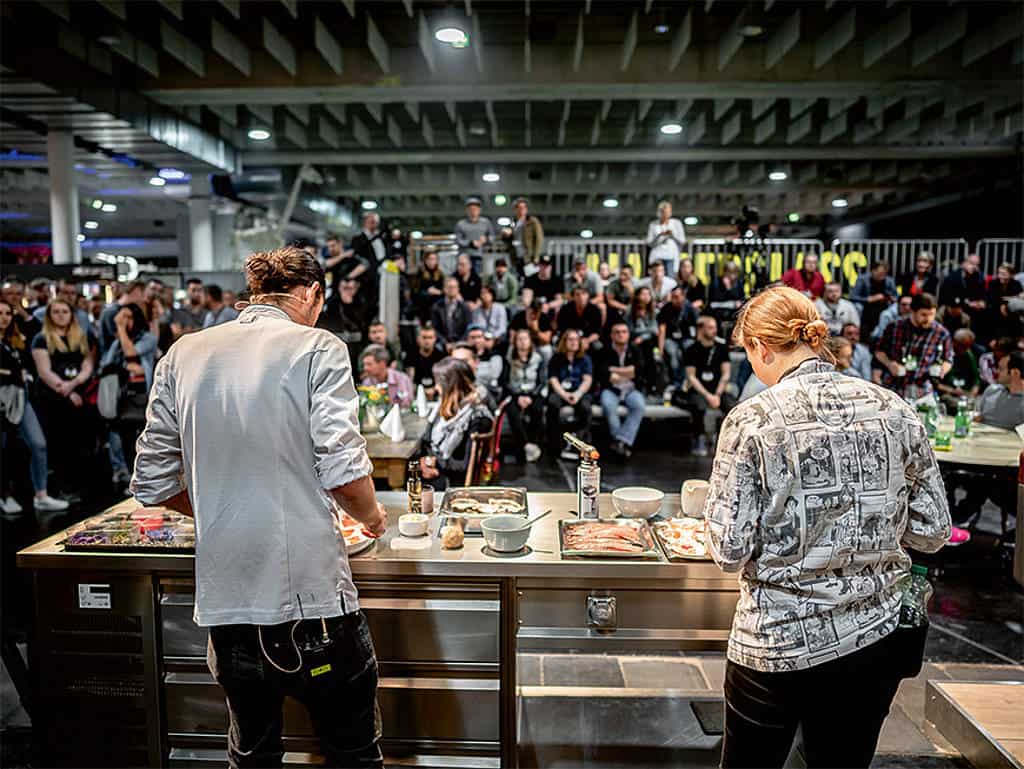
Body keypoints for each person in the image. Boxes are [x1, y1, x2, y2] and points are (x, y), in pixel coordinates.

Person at [131, 245, 387, 769]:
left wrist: (219, 506)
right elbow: (344, 472)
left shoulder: (183, 352)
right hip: (313, 611)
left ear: (255, 294)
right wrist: (373, 518)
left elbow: (151, 481)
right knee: (353, 754)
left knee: (252, 757)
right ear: (312, 294)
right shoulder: (318, 346)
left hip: (229, 615)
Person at [705, 285, 950, 769]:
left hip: (777, 641)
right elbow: (934, 529)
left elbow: (729, 549)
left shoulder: (751, 419)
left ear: (761, 347)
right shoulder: (894, 408)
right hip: (873, 638)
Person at [0, 299, 67, 513]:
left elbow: (37, 333)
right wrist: (13, 374)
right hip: (3, 398)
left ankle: (41, 494)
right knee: (3, 449)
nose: (4, 318)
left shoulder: (15, 340)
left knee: (38, 443)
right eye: (0, 313)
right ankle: (4, 495)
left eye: (8, 313)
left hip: (21, 397)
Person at [30, 300, 97, 500]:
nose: (61, 315)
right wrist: (66, 390)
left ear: (71, 314)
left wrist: (74, 383)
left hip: (79, 394)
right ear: (49, 315)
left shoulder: (82, 337)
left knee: (79, 443)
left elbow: (87, 366)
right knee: (58, 444)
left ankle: (79, 486)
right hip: (52, 398)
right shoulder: (41, 339)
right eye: (56, 312)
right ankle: (61, 488)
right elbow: (44, 372)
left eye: (65, 311)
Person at [417, 357, 493, 490]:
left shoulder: (477, 417)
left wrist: (436, 463)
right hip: (438, 470)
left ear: (451, 386)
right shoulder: (445, 407)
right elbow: (427, 439)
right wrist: (425, 462)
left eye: (439, 383)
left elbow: (465, 467)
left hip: (452, 483)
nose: (436, 388)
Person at [100, 303, 158, 472]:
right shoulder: (117, 342)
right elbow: (107, 365)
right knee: (117, 433)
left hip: (140, 396)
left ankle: (144, 471)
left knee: (141, 435)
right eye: (121, 318)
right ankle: (121, 470)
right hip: (119, 396)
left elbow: (131, 353)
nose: (124, 322)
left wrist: (120, 329)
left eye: (128, 317)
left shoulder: (148, 338)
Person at [875, 293, 953, 399]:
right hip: (894, 385)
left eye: (932, 314)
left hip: (923, 388)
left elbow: (948, 359)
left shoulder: (941, 333)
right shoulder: (895, 327)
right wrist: (889, 364)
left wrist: (943, 369)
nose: (928, 319)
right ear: (913, 311)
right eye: (924, 315)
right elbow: (879, 351)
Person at [683, 315, 733, 457]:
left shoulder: (721, 348)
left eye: (715, 327)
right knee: (698, 406)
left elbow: (726, 374)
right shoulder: (692, 349)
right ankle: (699, 439)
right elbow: (691, 377)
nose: (714, 331)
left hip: (717, 389)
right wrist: (707, 395)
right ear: (701, 329)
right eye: (710, 328)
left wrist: (717, 394)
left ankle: (724, 439)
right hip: (699, 389)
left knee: (732, 405)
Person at [598, 321, 647, 459]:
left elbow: (638, 371)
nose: (621, 335)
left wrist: (614, 370)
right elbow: (603, 373)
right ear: (612, 335)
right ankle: (621, 445)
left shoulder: (635, 350)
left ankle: (620, 441)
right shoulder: (604, 351)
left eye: (624, 332)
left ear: (628, 334)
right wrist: (627, 371)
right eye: (617, 332)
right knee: (608, 405)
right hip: (611, 389)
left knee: (639, 406)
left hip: (631, 389)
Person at [503, 328, 547, 463]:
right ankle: (526, 445)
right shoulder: (509, 359)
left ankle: (533, 442)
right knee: (512, 412)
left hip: (533, 393)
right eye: (519, 339)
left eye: (525, 339)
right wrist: (518, 396)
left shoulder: (538, 358)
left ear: (530, 341)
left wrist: (531, 396)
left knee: (537, 409)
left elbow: (542, 381)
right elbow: (504, 381)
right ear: (515, 342)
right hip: (515, 393)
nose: (522, 342)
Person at [546, 329, 594, 452]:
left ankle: (580, 441)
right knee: (552, 403)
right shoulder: (556, 358)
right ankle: (555, 442)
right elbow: (553, 380)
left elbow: (587, 380)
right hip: (561, 391)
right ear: (564, 342)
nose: (573, 342)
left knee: (585, 407)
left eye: (576, 340)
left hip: (579, 392)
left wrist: (577, 394)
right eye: (570, 339)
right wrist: (564, 395)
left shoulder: (585, 359)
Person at [658, 285, 700, 386]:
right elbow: (662, 330)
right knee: (673, 353)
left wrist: (698, 345)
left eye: (677, 297)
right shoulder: (666, 309)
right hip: (670, 338)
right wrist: (660, 349)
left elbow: (698, 326)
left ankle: (686, 379)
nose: (675, 300)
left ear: (683, 296)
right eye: (672, 297)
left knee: (688, 350)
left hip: (687, 337)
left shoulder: (690, 308)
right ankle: (676, 381)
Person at [321, 278, 371, 355]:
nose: (347, 291)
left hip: (356, 346)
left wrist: (348, 305)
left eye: (350, 288)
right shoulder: (332, 302)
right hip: (335, 344)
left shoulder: (361, 303)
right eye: (345, 288)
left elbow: (362, 324)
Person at [977, 352, 1024, 430]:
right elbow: (978, 417)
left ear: (1015, 373)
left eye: (1001, 369)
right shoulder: (991, 390)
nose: (996, 371)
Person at [851, 260, 898, 339]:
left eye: (884, 274)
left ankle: (882, 336)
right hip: (866, 305)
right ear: (873, 271)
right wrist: (869, 299)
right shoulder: (862, 279)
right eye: (880, 274)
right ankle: (858, 332)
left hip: (883, 305)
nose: (882, 276)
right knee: (858, 307)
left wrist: (891, 298)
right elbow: (853, 296)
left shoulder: (889, 280)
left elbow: (896, 297)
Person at [937, 329, 981, 411]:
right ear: (954, 342)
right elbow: (936, 383)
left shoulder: (969, 355)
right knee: (957, 404)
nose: (966, 349)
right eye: (963, 346)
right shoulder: (943, 354)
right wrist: (953, 391)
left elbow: (976, 380)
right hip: (948, 393)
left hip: (965, 393)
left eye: (968, 346)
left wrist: (973, 393)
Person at [627, 286, 659, 391]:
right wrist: (640, 334)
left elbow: (654, 330)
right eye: (643, 294)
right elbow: (629, 328)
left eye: (648, 294)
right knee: (637, 355)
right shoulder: (630, 310)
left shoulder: (653, 310)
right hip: (633, 338)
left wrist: (642, 337)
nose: (646, 296)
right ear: (637, 296)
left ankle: (651, 385)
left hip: (649, 339)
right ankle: (639, 383)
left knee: (649, 353)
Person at [99, 279, 145, 353]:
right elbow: (120, 340)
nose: (143, 298)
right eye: (142, 292)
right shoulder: (111, 312)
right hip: (113, 357)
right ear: (136, 291)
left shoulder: (132, 310)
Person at [555, 285, 603, 353]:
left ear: (588, 295)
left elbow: (597, 332)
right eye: (577, 294)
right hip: (569, 338)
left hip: (588, 339)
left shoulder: (595, 310)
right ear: (573, 297)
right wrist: (575, 341)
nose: (581, 297)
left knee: (598, 346)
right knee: (558, 344)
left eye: (584, 293)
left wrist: (587, 341)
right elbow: (561, 328)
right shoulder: (565, 309)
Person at [454, 196, 495, 274]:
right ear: (467, 210)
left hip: (480, 256)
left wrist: (486, 239)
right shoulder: (460, 224)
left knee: (478, 277)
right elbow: (458, 240)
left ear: (479, 210)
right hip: (464, 257)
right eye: (470, 209)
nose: (473, 211)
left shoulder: (486, 223)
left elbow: (492, 237)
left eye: (475, 209)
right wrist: (471, 243)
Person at [645, 200, 686, 277]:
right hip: (657, 257)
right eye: (663, 212)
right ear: (659, 213)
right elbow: (649, 243)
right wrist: (659, 235)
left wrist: (672, 235)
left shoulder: (677, 223)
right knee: (657, 277)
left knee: (671, 279)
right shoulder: (653, 225)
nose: (665, 215)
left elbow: (682, 241)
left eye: (667, 212)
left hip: (671, 256)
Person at [984, 262, 1024, 341]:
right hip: (995, 311)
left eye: (1004, 274)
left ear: (1011, 275)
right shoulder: (993, 283)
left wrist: (1005, 302)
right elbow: (991, 299)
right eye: (999, 273)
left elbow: (1018, 299)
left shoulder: (1016, 284)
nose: (1000, 276)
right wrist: (1005, 301)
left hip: (1011, 312)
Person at [431, 276, 472, 349]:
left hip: (461, 342)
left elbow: (468, 328)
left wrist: (459, 343)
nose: (452, 289)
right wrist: (445, 343)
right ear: (444, 289)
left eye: (454, 287)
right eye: (449, 287)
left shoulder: (465, 307)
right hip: (442, 343)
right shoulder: (436, 307)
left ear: (458, 289)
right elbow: (435, 328)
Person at [405, 325, 445, 398]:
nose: (427, 341)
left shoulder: (441, 357)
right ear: (418, 339)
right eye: (424, 337)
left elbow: (442, 379)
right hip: (416, 393)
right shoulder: (411, 356)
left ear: (435, 339)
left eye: (430, 338)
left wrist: (435, 389)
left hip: (436, 393)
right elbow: (409, 379)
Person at [1, 279, 42, 345]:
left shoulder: (32, 312)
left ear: (23, 295)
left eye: (18, 294)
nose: (14, 297)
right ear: (2, 294)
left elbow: (39, 334)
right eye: (10, 293)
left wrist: (23, 313)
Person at [507, 197, 543, 269]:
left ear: (526, 209)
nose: (521, 210)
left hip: (529, 257)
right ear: (515, 209)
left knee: (530, 275)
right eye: (519, 208)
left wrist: (536, 256)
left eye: (524, 207)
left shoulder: (533, 221)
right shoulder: (513, 223)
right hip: (516, 256)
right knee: (518, 275)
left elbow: (539, 239)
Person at [708, 261, 745, 330]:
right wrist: (728, 289)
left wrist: (730, 289)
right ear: (725, 273)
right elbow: (713, 303)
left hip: (733, 313)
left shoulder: (738, 283)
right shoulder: (716, 282)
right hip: (719, 313)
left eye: (735, 273)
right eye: (731, 272)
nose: (734, 276)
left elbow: (741, 299)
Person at [412, 249, 446, 323]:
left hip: (436, 305)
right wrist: (428, 292)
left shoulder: (440, 274)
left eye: (434, 259)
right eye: (430, 259)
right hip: (423, 305)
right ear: (425, 260)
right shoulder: (420, 273)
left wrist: (438, 292)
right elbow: (415, 292)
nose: (432, 262)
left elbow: (444, 291)